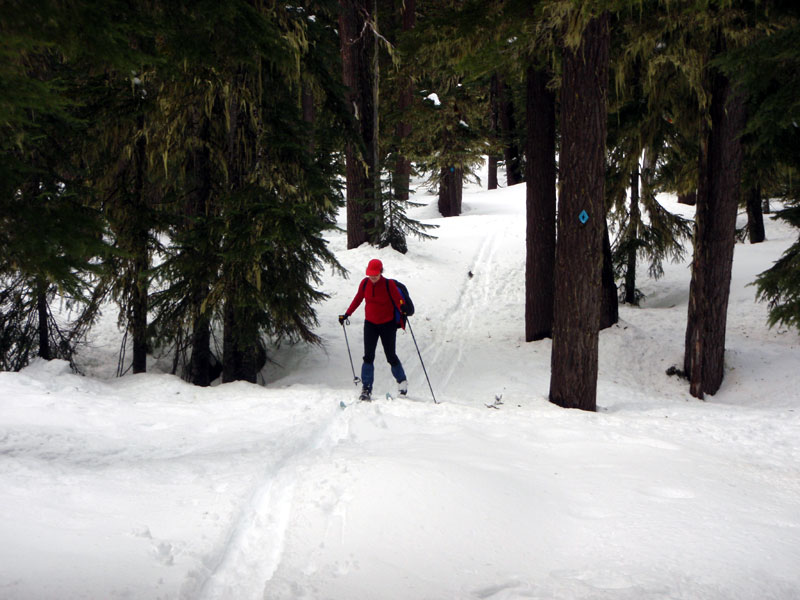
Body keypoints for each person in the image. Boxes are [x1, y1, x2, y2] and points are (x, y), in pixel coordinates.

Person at [339, 258, 407, 401]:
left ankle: (402, 382)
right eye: (370, 275)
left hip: (387, 325)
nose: (373, 277)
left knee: (391, 356)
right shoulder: (364, 284)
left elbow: (398, 301)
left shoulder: (388, 285)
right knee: (368, 356)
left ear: (380, 272)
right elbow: (358, 299)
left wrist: (403, 308)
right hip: (370, 324)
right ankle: (366, 388)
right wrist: (347, 314)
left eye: (375, 275)